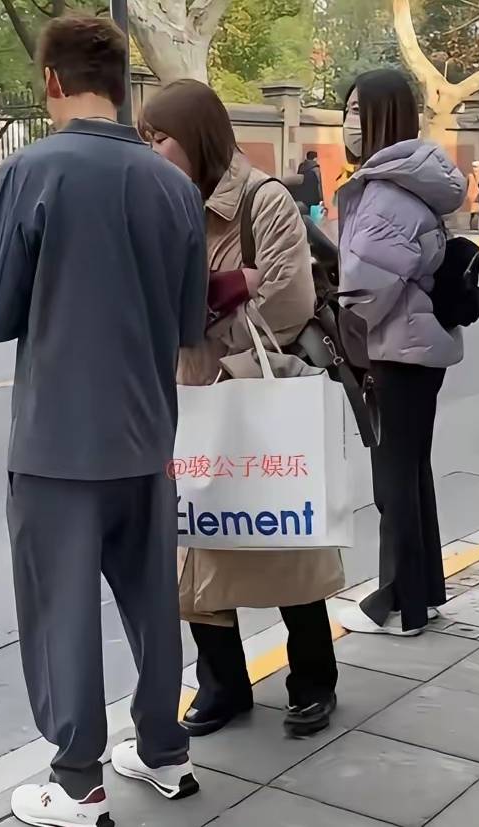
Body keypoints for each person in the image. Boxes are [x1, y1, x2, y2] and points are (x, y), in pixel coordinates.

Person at [0, 16, 208, 827]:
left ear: (52, 81)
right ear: (118, 83)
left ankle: (76, 780)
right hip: (147, 434)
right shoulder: (174, 187)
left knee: (60, 611)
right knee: (151, 600)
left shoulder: (25, 173)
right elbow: (188, 322)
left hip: (57, 442)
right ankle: (165, 748)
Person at [139, 79, 344, 740]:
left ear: (196, 137)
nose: (152, 151)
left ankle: (312, 679)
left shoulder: (263, 199)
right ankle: (223, 683)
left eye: (160, 138)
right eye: (145, 139)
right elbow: (151, 299)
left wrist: (208, 311)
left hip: (254, 388)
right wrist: (226, 287)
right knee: (201, 541)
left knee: (283, 534)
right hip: (192, 395)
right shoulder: (163, 204)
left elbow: (288, 300)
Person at [336, 69, 467, 637]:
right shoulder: (411, 183)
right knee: (412, 473)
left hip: (396, 351)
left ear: (380, 118)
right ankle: (424, 594)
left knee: (393, 481)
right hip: (419, 348)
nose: (346, 125)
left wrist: (343, 323)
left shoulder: (384, 194)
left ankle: (398, 607)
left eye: (355, 113)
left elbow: (365, 289)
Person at [468, 160, 479, 231]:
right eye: (473, 167)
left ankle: (476, 228)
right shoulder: (470, 176)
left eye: (476, 167)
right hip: (473, 198)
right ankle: (474, 228)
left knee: (477, 213)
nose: (474, 168)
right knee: (474, 213)